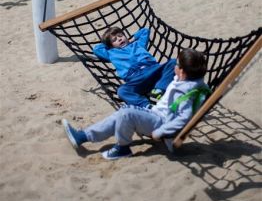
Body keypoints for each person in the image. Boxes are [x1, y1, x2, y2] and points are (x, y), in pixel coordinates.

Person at [62, 48, 210, 160]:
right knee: (122, 113)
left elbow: (184, 118)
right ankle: (82, 136)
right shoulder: (186, 79)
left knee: (127, 113)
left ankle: (122, 148)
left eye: (177, 65)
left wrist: (161, 132)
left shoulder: (189, 92)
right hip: (156, 115)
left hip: (161, 124)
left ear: (182, 72)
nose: (174, 66)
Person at [93, 27, 176, 108]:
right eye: (114, 40)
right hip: (135, 78)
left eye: (121, 36)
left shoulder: (138, 44)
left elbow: (145, 30)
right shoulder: (111, 53)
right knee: (122, 91)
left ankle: (159, 90)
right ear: (111, 45)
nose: (119, 39)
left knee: (173, 62)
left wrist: (132, 39)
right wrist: (108, 44)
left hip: (152, 70)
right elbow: (96, 49)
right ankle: (146, 105)